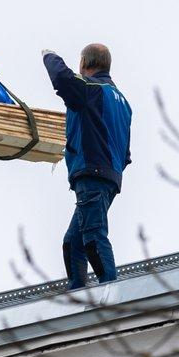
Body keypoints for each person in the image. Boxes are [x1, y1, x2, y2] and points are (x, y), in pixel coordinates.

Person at [42, 42, 133, 290]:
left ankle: (110, 293)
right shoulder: (123, 102)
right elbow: (126, 151)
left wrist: (49, 54)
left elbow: (62, 78)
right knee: (74, 242)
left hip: (92, 174)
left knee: (93, 236)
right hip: (108, 176)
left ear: (84, 64)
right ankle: (77, 293)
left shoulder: (90, 90)